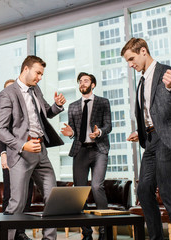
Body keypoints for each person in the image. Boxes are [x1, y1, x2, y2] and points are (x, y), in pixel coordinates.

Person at [121, 37, 171, 240]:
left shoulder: (167, 72)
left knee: (169, 192)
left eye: (131, 58)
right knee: (143, 190)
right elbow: (151, 112)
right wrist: (142, 130)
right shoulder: (142, 81)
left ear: (143, 51)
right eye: (127, 61)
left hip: (169, 138)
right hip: (151, 140)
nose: (130, 64)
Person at [0, 55, 66, 240]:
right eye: (38, 73)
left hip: (41, 150)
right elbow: (0, 130)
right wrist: (22, 145)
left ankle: (49, 239)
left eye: (42, 74)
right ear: (26, 69)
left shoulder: (36, 89)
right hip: (21, 154)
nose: (40, 77)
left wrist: (57, 106)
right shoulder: (8, 93)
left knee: (52, 199)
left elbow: (46, 113)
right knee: (16, 203)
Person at [61, 72, 112, 240]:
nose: (82, 83)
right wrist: (70, 133)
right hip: (80, 150)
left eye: (86, 81)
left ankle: (104, 232)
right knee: (80, 191)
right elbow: (75, 132)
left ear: (93, 84)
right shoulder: (73, 106)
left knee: (97, 186)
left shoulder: (103, 102)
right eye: (80, 81)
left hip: (99, 149)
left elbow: (108, 125)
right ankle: (87, 233)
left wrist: (99, 132)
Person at [0, 79, 34, 240]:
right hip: (10, 156)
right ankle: (7, 232)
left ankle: (20, 232)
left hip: (28, 156)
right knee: (10, 194)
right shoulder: (0, 109)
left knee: (27, 194)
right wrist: (3, 154)